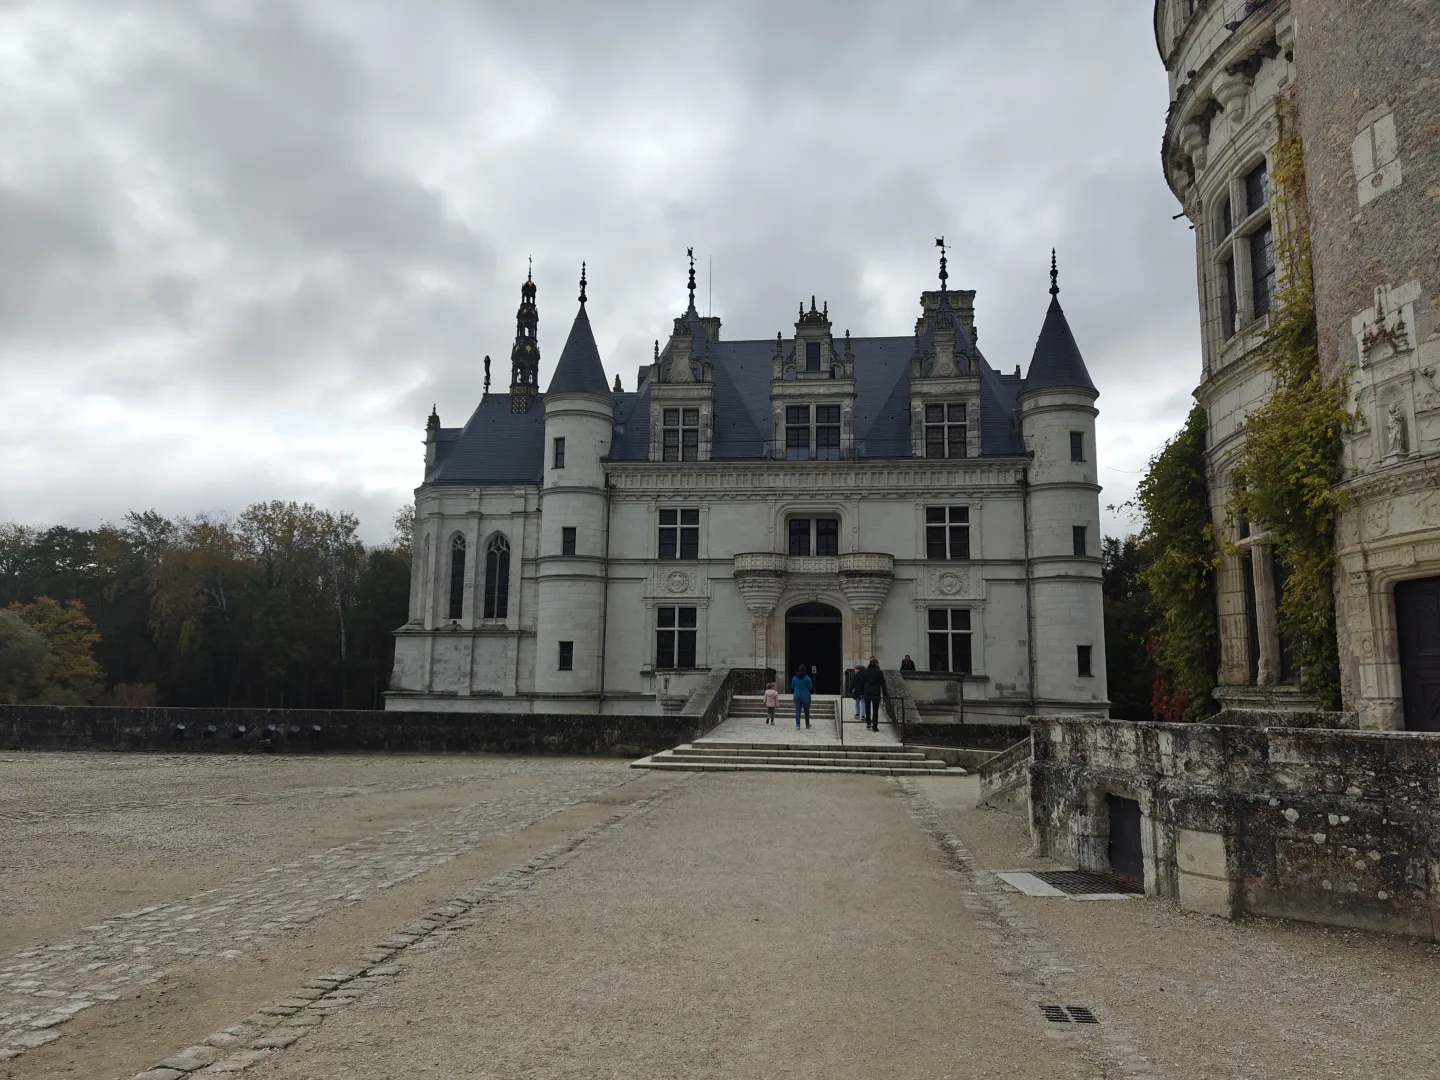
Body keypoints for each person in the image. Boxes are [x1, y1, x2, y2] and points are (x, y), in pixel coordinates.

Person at [861, 656, 886, 730]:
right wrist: (884, 694)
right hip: (876, 692)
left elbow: (862, 683)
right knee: (875, 709)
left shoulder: (865, 671)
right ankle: (875, 726)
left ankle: (868, 722)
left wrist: (862, 693)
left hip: (867, 692)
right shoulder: (879, 672)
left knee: (867, 707)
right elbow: (883, 683)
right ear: (876, 663)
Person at [790, 664, 813, 729]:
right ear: (804, 670)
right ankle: (807, 724)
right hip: (805, 695)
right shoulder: (807, 678)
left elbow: (792, 686)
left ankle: (798, 725)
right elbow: (810, 687)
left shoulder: (794, 677)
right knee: (806, 711)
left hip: (797, 695)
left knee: (797, 710)